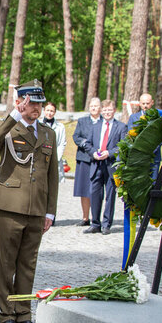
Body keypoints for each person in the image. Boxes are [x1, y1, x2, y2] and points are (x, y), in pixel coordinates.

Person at [0, 80, 58, 323]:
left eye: (39, 103)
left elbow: (52, 176)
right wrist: (15, 115)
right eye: (31, 103)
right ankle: (7, 315)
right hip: (10, 206)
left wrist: (50, 211)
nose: (36, 108)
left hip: (37, 209)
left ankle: (23, 313)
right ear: (21, 102)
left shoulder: (48, 134)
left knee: (28, 263)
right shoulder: (8, 129)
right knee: (6, 263)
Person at [83, 99, 127, 235]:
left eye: (110, 110)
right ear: (101, 111)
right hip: (96, 164)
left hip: (111, 164)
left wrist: (110, 153)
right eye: (105, 110)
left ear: (114, 111)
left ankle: (106, 224)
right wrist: (93, 153)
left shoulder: (121, 127)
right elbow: (87, 144)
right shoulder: (95, 126)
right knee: (95, 194)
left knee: (110, 195)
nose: (107, 112)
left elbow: (122, 146)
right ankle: (95, 223)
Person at [72, 97, 102, 226]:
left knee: (96, 190)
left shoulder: (104, 122)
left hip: (99, 159)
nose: (93, 108)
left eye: (96, 106)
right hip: (84, 158)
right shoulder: (82, 121)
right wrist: (86, 145)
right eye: (91, 106)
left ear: (100, 108)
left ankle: (97, 218)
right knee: (84, 189)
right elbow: (76, 137)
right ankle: (85, 218)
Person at [127, 93, 160, 180]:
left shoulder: (158, 117)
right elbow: (129, 136)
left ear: (152, 103)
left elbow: (161, 137)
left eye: (147, 103)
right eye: (143, 103)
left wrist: (152, 149)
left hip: (154, 156)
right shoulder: (133, 118)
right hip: (138, 157)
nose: (145, 106)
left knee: (153, 183)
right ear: (139, 103)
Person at [40, 102, 66, 183]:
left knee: (53, 184)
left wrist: (56, 158)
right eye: (47, 110)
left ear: (55, 112)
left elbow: (62, 143)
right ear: (44, 111)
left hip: (55, 159)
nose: (49, 113)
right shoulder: (38, 124)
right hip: (40, 158)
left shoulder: (60, 127)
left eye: (52, 111)